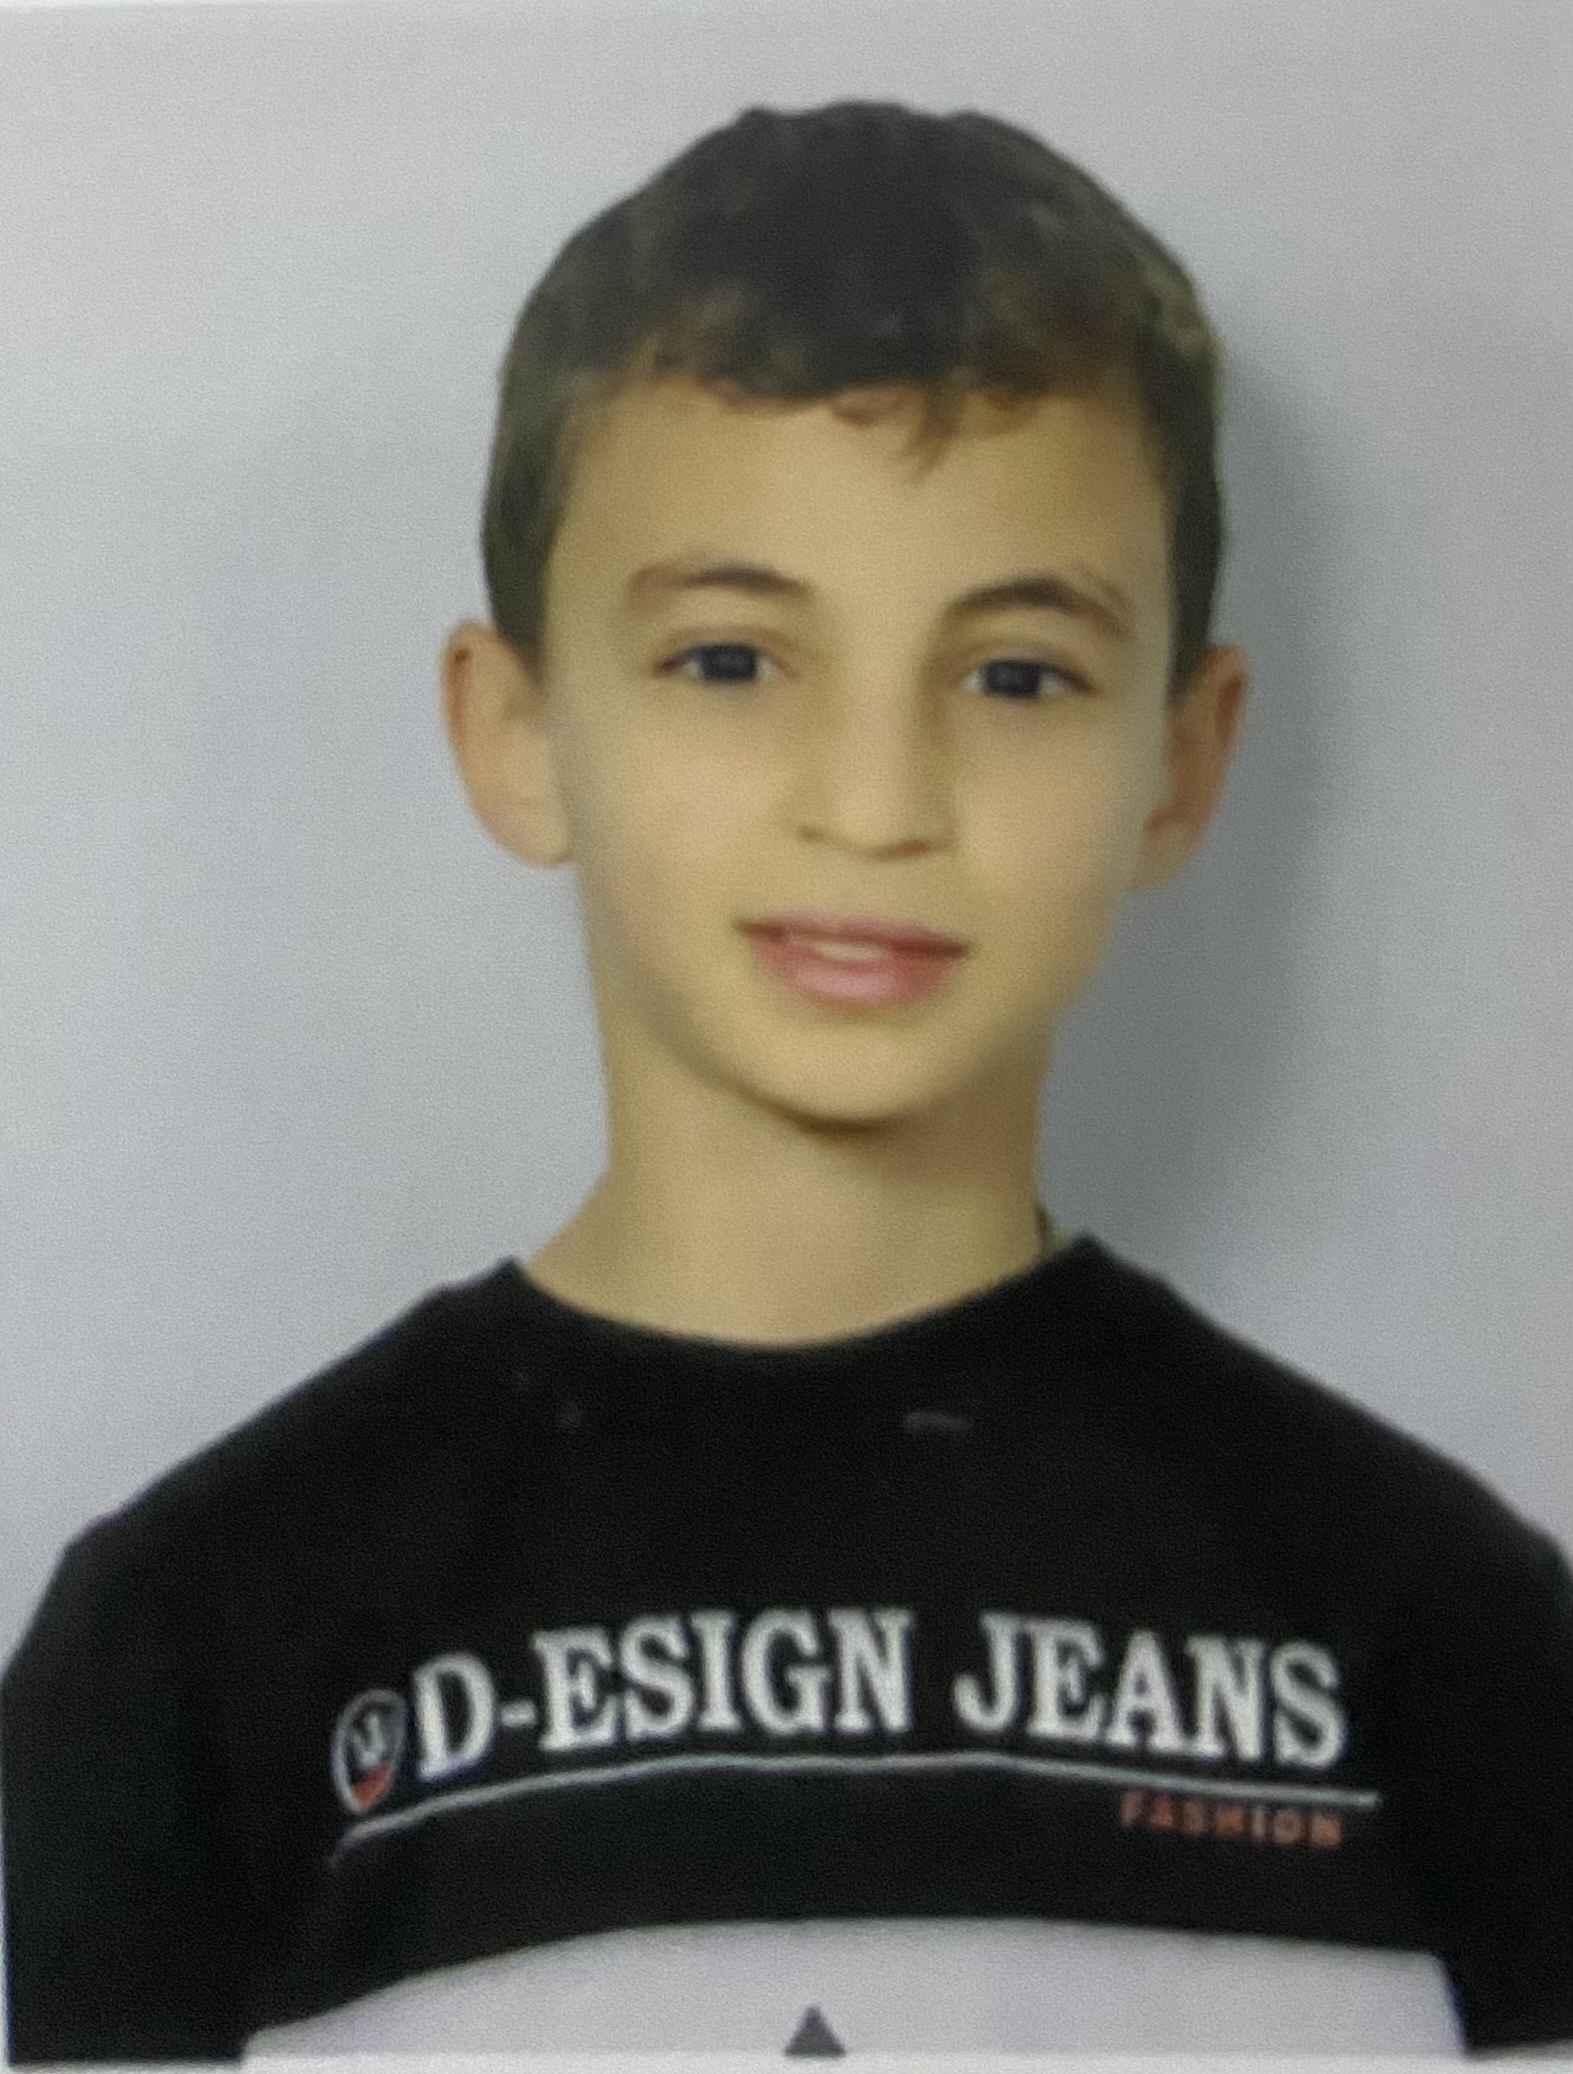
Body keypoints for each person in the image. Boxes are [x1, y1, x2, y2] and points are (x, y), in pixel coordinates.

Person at [3, 99, 1570, 2065]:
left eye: (1014, 674)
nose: (874, 800)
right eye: (731, 660)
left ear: (1180, 760)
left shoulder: (1449, 1636)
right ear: (516, 731)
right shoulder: (190, 1650)